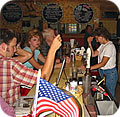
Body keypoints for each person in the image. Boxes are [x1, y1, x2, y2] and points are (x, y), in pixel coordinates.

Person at [0, 28, 62, 106]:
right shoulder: (10, 64)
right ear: (3, 47)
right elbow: (43, 79)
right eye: (13, 46)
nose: (15, 50)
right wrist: (53, 50)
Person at [87, 27, 118, 97]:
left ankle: (110, 108)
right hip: (103, 72)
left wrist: (89, 68)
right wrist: (89, 44)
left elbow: (103, 63)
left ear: (102, 36)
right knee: (104, 93)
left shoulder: (110, 46)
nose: (97, 41)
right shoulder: (103, 45)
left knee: (109, 95)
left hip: (110, 73)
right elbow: (94, 54)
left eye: (97, 38)